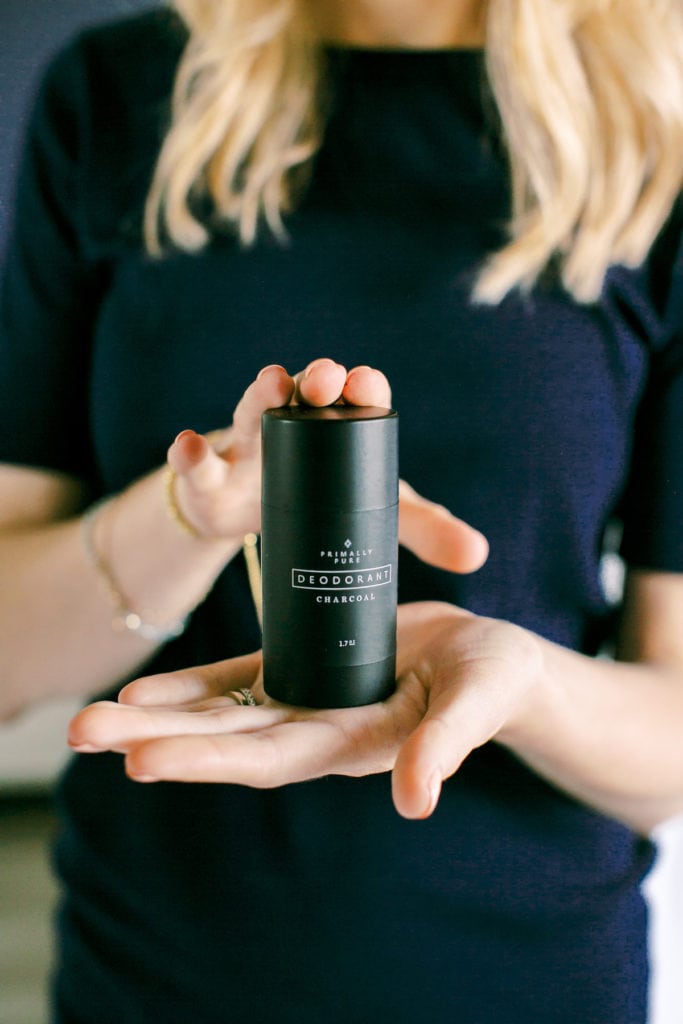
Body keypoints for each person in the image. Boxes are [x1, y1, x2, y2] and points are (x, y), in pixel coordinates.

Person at [1, 0, 683, 1021]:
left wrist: (522, 679)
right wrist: (188, 518)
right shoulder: (119, 94)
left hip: (526, 982)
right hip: (153, 975)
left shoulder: (655, 122)